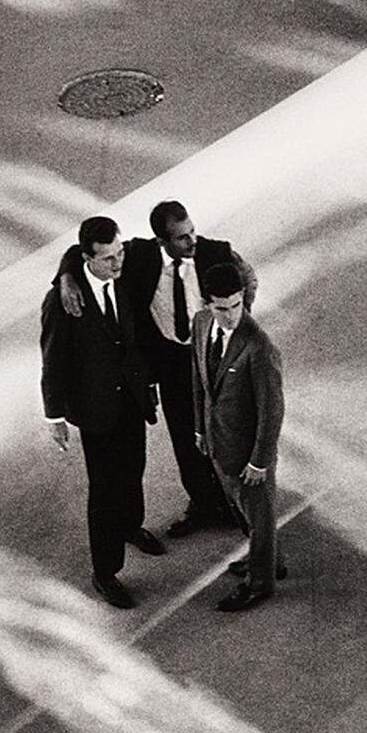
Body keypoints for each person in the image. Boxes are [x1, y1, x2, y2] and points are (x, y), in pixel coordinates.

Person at [54, 200, 257, 537]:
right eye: (182, 237)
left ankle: (242, 507)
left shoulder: (216, 253)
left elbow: (248, 278)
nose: (193, 240)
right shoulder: (139, 255)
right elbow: (81, 252)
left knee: (226, 432)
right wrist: (65, 277)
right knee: (185, 437)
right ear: (162, 241)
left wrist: (237, 321)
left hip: (212, 356)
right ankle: (204, 504)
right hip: (173, 363)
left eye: (191, 231)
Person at [41, 216, 161, 608]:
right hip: (96, 410)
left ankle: (131, 527)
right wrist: (54, 416)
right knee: (105, 490)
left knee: (135, 467)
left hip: (131, 400)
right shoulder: (63, 302)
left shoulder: (125, 269)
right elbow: (53, 360)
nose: (118, 262)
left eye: (119, 252)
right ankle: (105, 572)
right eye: (108, 258)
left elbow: (152, 244)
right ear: (87, 258)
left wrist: (66, 271)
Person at [192, 256, 286, 611]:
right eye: (222, 308)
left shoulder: (259, 347)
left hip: (249, 454)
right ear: (207, 303)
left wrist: (260, 462)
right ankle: (269, 559)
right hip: (219, 443)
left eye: (236, 305)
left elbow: (272, 410)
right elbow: (199, 382)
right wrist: (201, 429)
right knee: (247, 514)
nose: (231, 315)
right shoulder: (201, 324)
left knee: (258, 517)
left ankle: (260, 583)